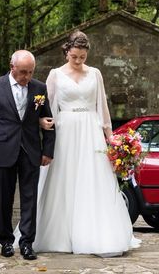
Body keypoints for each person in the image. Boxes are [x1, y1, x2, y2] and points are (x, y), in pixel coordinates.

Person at [34, 30, 139, 256]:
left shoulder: (95, 74)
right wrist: (41, 121)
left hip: (91, 129)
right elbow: (47, 105)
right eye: (75, 57)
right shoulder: (55, 75)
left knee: (93, 179)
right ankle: (58, 236)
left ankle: (96, 234)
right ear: (67, 53)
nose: (79, 61)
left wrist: (110, 137)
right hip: (65, 131)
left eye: (83, 57)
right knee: (64, 179)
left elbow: (102, 106)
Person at [0, 50, 55, 261]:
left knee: (30, 198)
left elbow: (48, 120)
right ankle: (6, 241)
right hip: (3, 149)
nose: (26, 77)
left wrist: (48, 150)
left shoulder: (40, 88)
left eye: (30, 72)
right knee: (4, 198)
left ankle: (27, 243)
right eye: (22, 72)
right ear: (12, 67)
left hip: (31, 150)